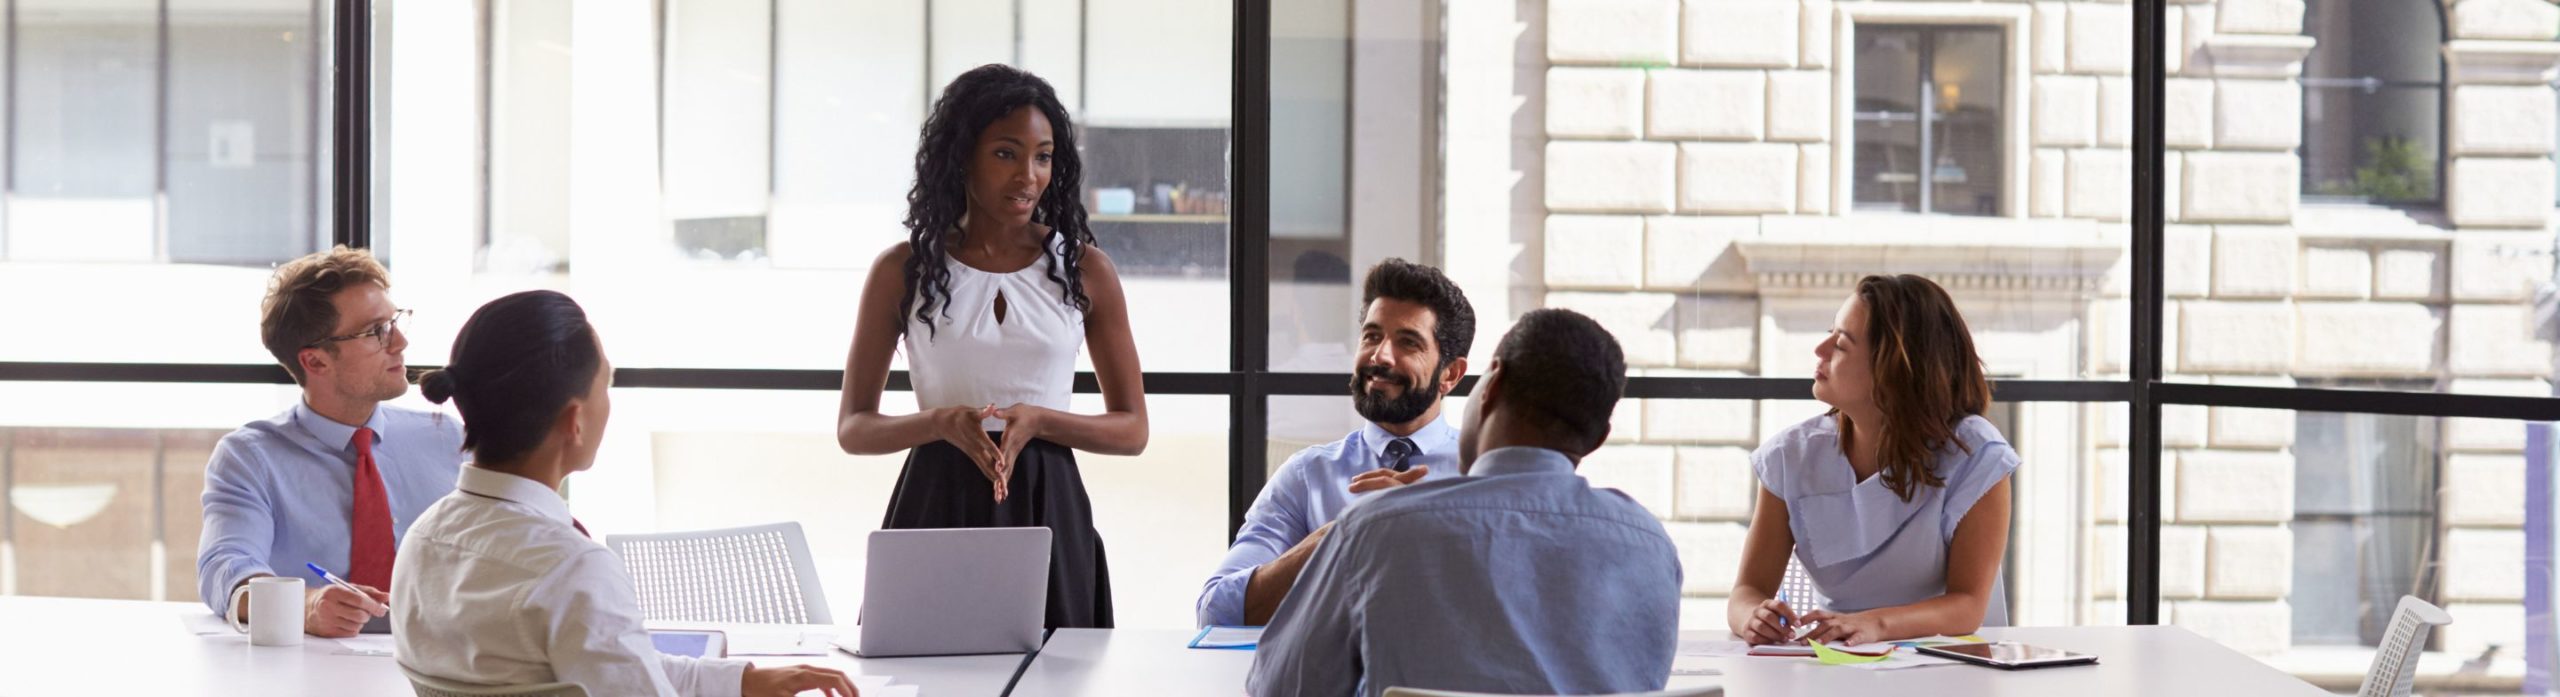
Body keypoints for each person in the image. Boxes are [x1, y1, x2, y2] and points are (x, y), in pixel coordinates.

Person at [393, 290, 856, 697]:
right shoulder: (569, 568)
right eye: (606, 385)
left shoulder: (423, 539)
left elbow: (609, 671)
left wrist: (740, 681)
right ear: (575, 421)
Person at [835, 63, 1145, 629]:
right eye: (1006, 154)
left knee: (1057, 668)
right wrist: (939, 422)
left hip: (1049, 506)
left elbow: (1132, 430)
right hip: (936, 500)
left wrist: (1041, 420)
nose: (1028, 176)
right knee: (926, 668)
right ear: (961, 157)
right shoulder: (902, 270)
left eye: (1043, 157)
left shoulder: (1085, 270)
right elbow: (854, 428)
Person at [1247, 309, 1682, 697]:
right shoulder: (1652, 546)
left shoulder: (1373, 530)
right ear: (1598, 438)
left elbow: (1281, 688)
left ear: (1491, 385)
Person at [1727, 274, 2017, 647]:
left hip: (1950, 660)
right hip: (1838, 659)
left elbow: (1967, 605)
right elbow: (1746, 591)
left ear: (1893, 370)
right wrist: (1753, 616)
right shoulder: (1790, 457)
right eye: (1830, 334)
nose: (1820, 349)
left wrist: (1874, 625)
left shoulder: (1977, 456)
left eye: (1841, 344)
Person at [196, 246, 462, 637]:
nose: (400, 342)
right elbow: (225, 566)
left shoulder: (448, 438)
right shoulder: (250, 457)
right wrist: (304, 605)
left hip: (447, 659)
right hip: (315, 668)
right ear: (316, 362)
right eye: (376, 331)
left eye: (395, 321)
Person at [1196, 258, 1473, 628]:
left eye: (1408, 342)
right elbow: (1217, 611)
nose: (1380, 356)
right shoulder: (1306, 475)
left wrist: (1422, 530)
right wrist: (1342, 533)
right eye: (1371, 336)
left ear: (1450, 374)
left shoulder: (1485, 475)